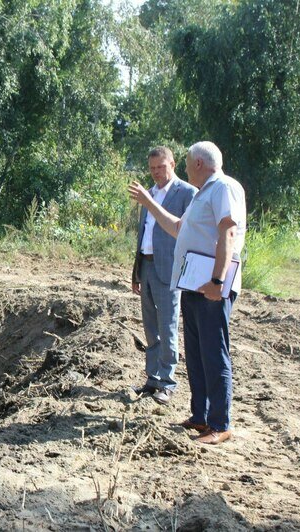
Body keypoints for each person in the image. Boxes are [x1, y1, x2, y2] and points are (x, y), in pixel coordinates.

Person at [128, 141, 246, 445]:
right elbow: (178, 227)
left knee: (213, 353)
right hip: (194, 285)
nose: (183, 166)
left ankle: (220, 424)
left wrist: (217, 282)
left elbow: (228, 232)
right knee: (196, 353)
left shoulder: (223, 187)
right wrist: (149, 203)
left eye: (185, 161)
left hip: (210, 288)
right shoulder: (204, 193)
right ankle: (201, 416)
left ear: (197, 164)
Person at [131, 147, 197, 406]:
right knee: (150, 325)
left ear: (173, 164)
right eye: (152, 168)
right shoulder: (151, 192)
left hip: (169, 268)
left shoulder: (187, 193)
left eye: (161, 167)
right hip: (146, 265)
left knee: (167, 325)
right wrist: (136, 270)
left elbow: (186, 232)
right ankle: (153, 378)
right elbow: (144, 234)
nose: (157, 172)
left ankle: (167, 382)